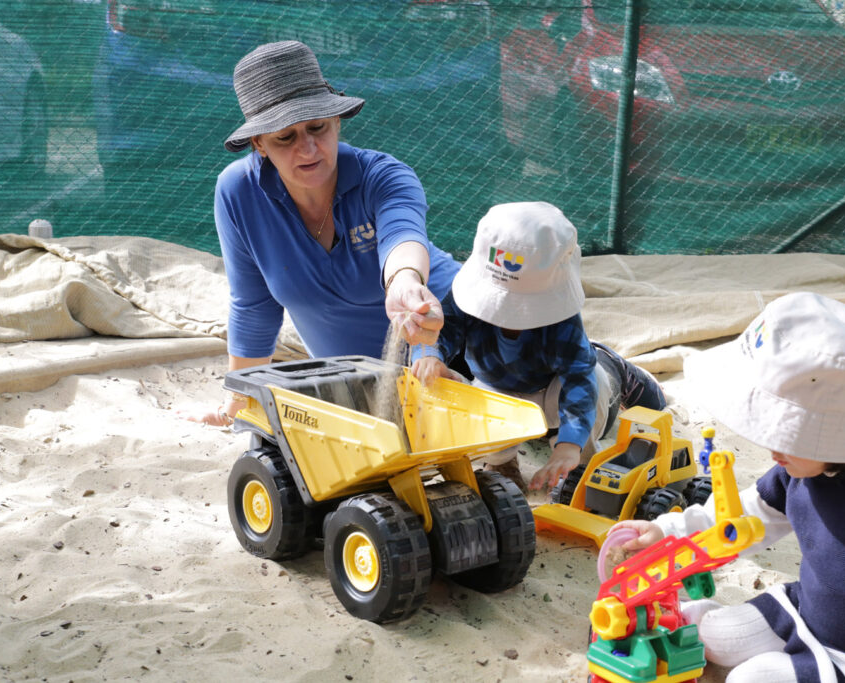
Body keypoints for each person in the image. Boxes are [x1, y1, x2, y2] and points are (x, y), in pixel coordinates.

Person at [609, 292, 845, 682]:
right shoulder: (799, 472)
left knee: (749, 678)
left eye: (788, 434)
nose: (773, 450)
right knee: (713, 636)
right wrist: (667, 532)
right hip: (805, 612)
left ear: (835, 435)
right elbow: (738, 518)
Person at [188, 41, 460, 426]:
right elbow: (253, 305)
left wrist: (404, 282)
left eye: (317, 127)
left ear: (337, 123)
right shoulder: (237, 192)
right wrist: (237, 402)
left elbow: (403, 233)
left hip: (452, 335)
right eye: (286, 137)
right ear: (259, 143)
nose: (309, 148)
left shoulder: (384, 175)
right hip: (355, 386)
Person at [410, 201, 667, 492]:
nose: (509, 314)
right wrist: (431, 356)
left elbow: (578, 378)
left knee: (597, 380)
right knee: (475, 409)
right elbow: (438, 332)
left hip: (554, 385)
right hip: (499, 389)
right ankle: (502, 463)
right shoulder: (463, 301)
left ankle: (578, 464)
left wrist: (569, 447)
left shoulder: (563, 322)